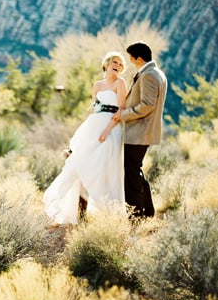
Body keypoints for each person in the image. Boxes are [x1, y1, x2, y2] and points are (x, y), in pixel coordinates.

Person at [43, 52, 127, 225]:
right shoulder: (97, 85)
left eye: (120, 64)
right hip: (93, 126)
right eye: (114, 62)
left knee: (106, 166)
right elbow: (94, 108)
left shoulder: (121, 83)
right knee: (80, 162)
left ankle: (110, 212)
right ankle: (75, 210)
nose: (117, 65)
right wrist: (90, 129)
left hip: (111, 128)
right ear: (106, 64)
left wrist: (107, 130)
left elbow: (121, 110)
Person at [112, 41, 167, 218]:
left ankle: (136, 215)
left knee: (131, 175)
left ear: (139, 58)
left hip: (137, 133)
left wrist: (123, 115)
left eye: (131, 59)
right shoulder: (155, 73)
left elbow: (146, 105)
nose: (130, 62)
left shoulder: (149, 75)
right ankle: (147, 212)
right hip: (141, 133)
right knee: (136, 172)